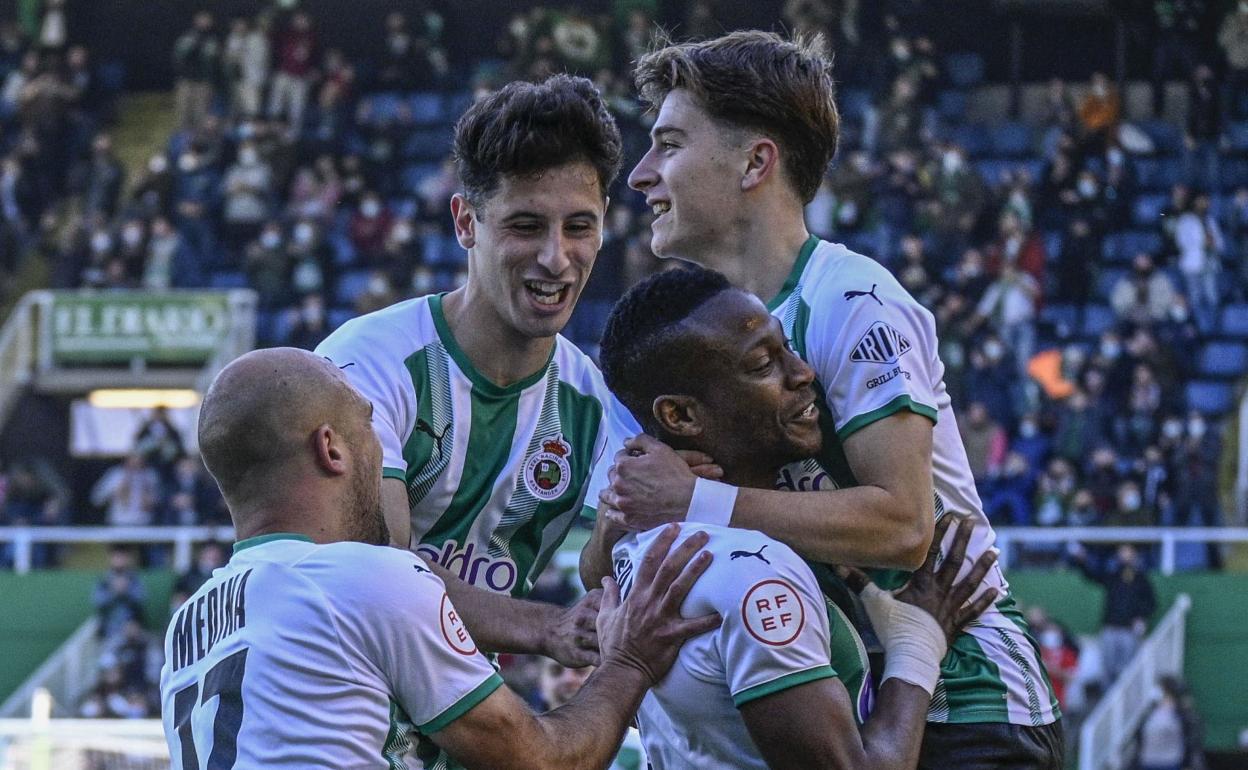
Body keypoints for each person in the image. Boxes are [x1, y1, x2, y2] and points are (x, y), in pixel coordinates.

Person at [585, 30, 1062, 767]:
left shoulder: (853, 300)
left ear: (755, 162)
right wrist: (622, 517)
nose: (641, 175)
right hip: (845, 695)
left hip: (966, 703)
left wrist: (693, 503)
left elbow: (904, 526)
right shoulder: (676, 336)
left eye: (669, 145)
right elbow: (604, 563)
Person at [160, 347, 719, 769]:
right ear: (330, 449)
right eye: (369, 426)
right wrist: (630, 662)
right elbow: (543, 761)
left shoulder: (188, 624)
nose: (383, 449)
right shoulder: (364, 577)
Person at [314, 74, 641, 761]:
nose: (557, 257)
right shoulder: (368, 365)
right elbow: (385, 580)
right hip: (339, 727)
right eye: (525, 226)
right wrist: (550, 627)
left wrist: (616, 545)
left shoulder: (592, 401)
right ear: (465, 221)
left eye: (579, 226)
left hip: (459, 734)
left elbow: (606, 568)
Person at [598, 265, 1003, 768]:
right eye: (763, 364)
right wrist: (918, 642)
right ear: (680, 417)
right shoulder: (749, 570)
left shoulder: (644, 549)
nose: (802, 372)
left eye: (787, 347)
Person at [1069, 542, 1156, 685]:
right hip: (1110, 628)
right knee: (1108, 669)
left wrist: (1140, 617)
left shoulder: (1141, 579)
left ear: (1134, 555)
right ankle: (1108, 703)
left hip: (1128, 631)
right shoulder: (1113, 576)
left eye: (1127, 551)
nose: (1124, 555)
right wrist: (1082, 561)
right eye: (1122, 551)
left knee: (1126, 670)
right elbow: (1093, 576)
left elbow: (1151, 603)